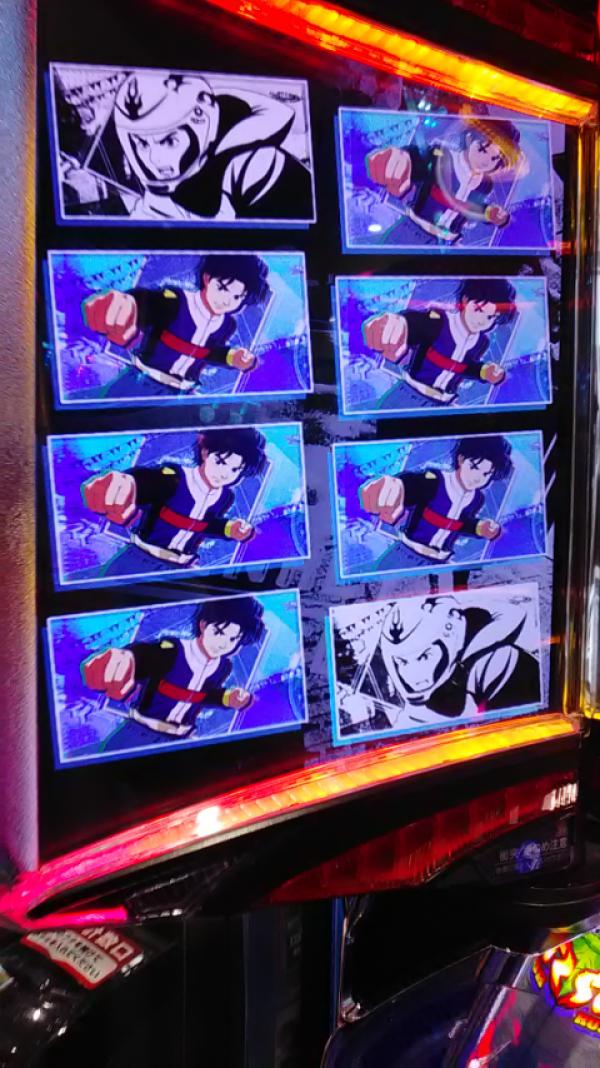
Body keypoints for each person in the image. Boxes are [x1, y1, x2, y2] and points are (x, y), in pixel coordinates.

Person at [62, 70, 313, 222]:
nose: (154, 159)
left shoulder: (255, 164)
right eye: (141, 144)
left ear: (201, 120)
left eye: (168, 141)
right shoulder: (157, 194)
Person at [336, 593, 540, 733]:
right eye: (402, 662)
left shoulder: (496, 661)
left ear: (451, 634)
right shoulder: (411, 706)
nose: (412, 676)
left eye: (424, 657)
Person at [82, 426, 267, 569]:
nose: (224, 474)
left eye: (235, 470)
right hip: (141, 558)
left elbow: (206, 525)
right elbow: (146, 483)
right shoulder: (174, 477)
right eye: (220, 462)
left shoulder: (225, 497)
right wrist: (126, 484)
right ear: (205, 452)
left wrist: (231, 529)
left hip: (180, 567)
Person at [82, 597, 265, 740]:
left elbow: (205, 695)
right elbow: (144, 658)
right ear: (203, 625)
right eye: (218, 632)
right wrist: (125, 660)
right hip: (141, 731)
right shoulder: (172, 650)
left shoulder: (223, 667)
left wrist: (228, 698)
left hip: (180, 737)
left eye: (233, 639)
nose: (223, 643)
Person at [82, 253, 270, 392]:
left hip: (181, 393)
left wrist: (234, 357)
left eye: (237, 297)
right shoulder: (175, 300)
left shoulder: (227, 325)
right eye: (222, 288)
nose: (227, 301)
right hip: (142, 381)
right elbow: (148, 305)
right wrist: (128, 305)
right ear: (207, 278)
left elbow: (211, 352)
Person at [362, 278, 517, 405]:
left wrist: (484, 372)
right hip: (410, 394)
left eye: (491, 317)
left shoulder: (480, 342)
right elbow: (414, 325)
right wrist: (397, 324)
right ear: (465, 300)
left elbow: (465, 367)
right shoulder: (439, 320)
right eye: (479, 310)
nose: (482, 320)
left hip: (442, 403)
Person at [359, 435, 512, 563]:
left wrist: (480, 527)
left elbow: (461, 524)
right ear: (461, 459)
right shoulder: (434, 480)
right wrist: (396, 486)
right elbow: (411, 487)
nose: (478, 478)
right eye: (474, 467)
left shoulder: (476, 499)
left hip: (438, 562)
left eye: (486, 474)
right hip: (407, 554)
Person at [366, 118, 523, 242]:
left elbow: (473, 209)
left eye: (496, 159)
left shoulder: (484, 185)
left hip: (446, 244)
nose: (486, 160)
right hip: (414, 231)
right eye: (483, 148)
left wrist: (492, 214)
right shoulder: (442, 155)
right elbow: (417, 160)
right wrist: (401, 159)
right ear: (470, 138)